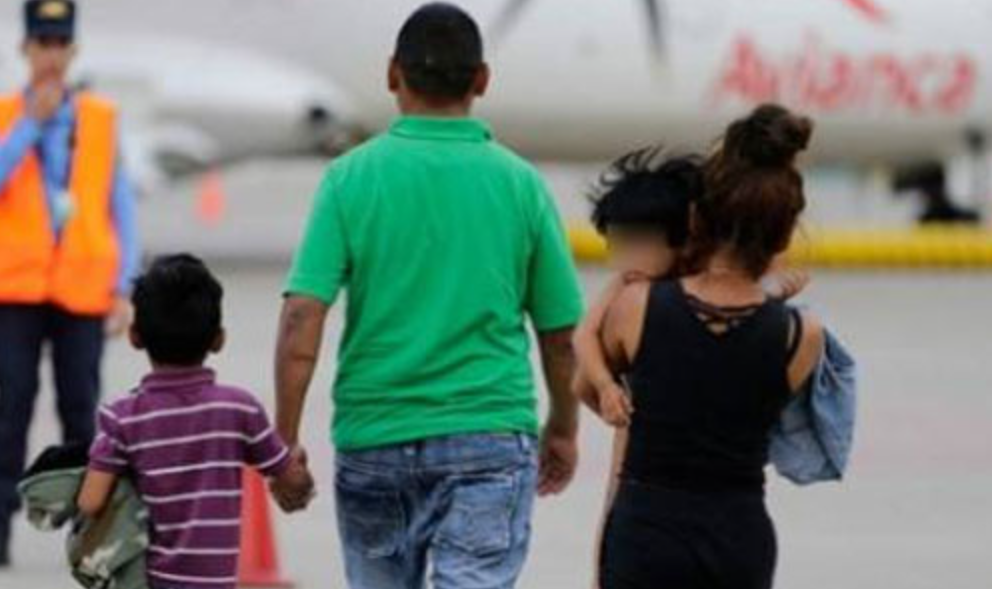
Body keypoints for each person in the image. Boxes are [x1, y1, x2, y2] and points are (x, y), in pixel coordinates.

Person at [271, 4, 586, 588]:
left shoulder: (349, 178)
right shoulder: (520, 184)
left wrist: (283, 442)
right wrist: (563, 426)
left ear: (393, 73)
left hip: (374, 437)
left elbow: (301, 317)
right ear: (482, 80)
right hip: (490, 437)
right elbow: (562, 335)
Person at [591, 104, 828, 589]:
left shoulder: (637, 306)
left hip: (647, 532)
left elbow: (589, 384)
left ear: (697, 216)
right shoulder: (801, 335)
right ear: (785, 234)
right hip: (738, 536)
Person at [0, 0, 139, 569]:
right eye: (43, 43)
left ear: (73, 50)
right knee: (11, 407)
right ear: (25, 48)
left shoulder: (100, 120)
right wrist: (29, 125)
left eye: (61, 44)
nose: (52, 56)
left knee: (81, 412)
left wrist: (123, 286)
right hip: (17, 289)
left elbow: (121, 207)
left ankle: (92, 534)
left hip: (80, 288)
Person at [79, 254, 313, 589]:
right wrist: (298, 478)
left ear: (135, 337)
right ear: (219, 339)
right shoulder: (239, 409)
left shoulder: (122, 416)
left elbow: (90, 502)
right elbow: (291, 479)